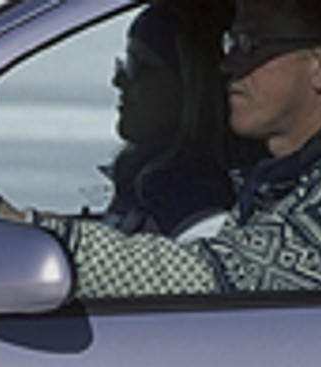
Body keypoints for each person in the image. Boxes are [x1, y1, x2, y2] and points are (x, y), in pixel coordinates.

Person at [10, 0, 321, 297]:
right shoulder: (283, 191)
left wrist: (27, 233)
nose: (228, 64)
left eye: (250, 46)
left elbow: (209, 280)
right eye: (230, 44)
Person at [101, 1, 238, 236]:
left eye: (139, 66)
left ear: (191, 85)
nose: (119, 80)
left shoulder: (197, 206)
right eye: (125, 64)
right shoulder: (149, 183)